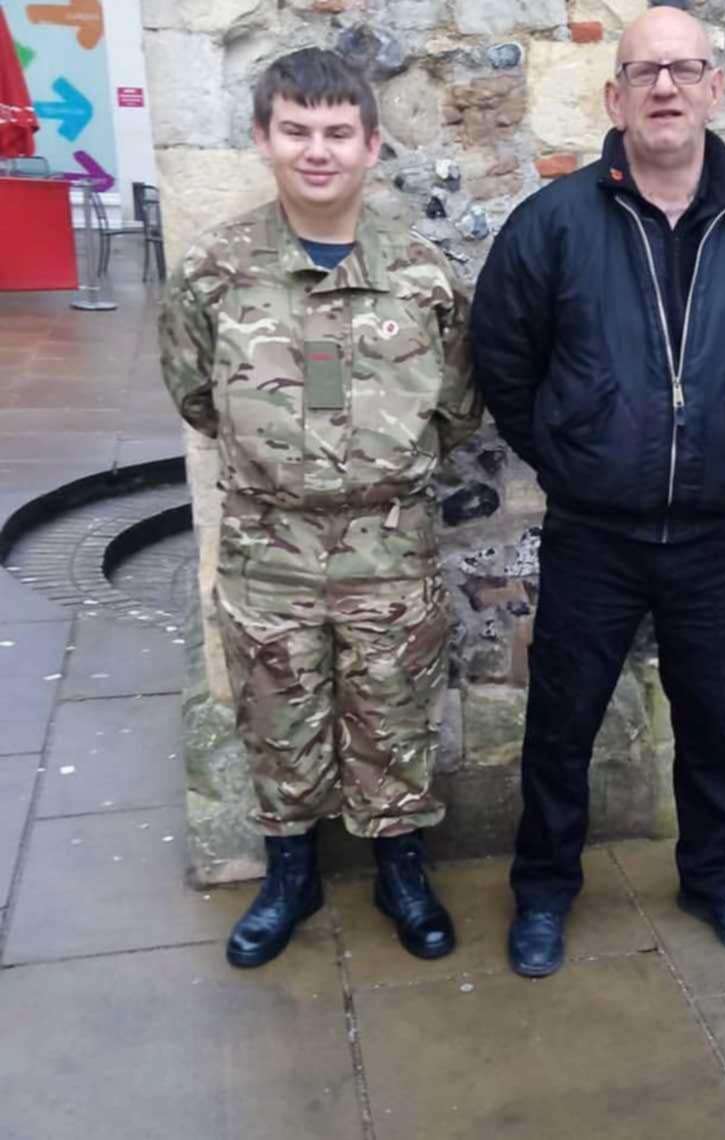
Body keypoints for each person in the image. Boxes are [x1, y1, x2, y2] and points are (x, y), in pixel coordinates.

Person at [472, 6, 725, 978]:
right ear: (614, 97)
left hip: (711, 537)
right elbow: (501, 358)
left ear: (714, 87)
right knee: (561, 724)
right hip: (593, 533)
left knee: (712, 723)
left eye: (682, 69)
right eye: (642, 72)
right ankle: (542, 894)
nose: (663, 87)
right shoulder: (553, 225)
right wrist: (570, 451)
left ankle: (714, 880)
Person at [159, 48, 481, 968]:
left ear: (371, 146)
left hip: (390, 550)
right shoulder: (216, 273)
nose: (317, 151)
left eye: (337, 133)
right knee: (276, 716)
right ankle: (288, 876)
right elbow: (194, 393)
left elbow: (458, 407)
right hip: (270, 551)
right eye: (295, 131)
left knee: (394, 714)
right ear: (264, 138)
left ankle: (400, 871)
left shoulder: (422, 277)